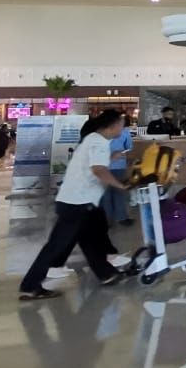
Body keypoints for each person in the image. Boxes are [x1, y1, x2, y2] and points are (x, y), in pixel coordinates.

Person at [17, 109, 130, 300]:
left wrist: (112, 157)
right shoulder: (99, 142)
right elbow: (98, 170)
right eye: (122, 125)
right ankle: (30, 286)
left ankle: (106, 274)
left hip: (77, 201)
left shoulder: (93, 139)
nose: (123, 128)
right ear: (112, 126)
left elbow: (91, 164)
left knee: (90, 239)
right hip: (78, 203)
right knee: (56, 246)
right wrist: (121, 185)